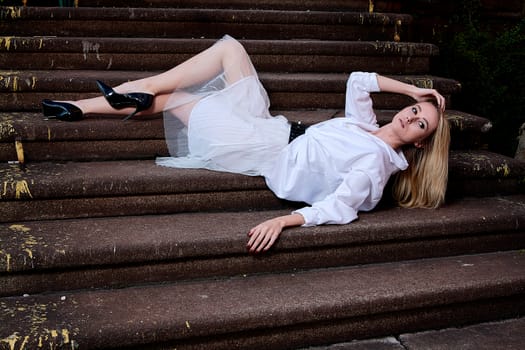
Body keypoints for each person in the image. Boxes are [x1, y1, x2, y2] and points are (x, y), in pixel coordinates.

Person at [41, 35, 450, 253]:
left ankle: (83, 106)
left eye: (420, 125)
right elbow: (358, 80)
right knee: (230, 48)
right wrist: (415, 89)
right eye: (414, 111)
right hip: (271, 127)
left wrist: (283, 221)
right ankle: (121, 97)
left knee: (175, 98)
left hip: (263, 148)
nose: (411, 117)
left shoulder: (376, 166)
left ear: (418, 144)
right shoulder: (365, 127)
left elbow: (338, 207)